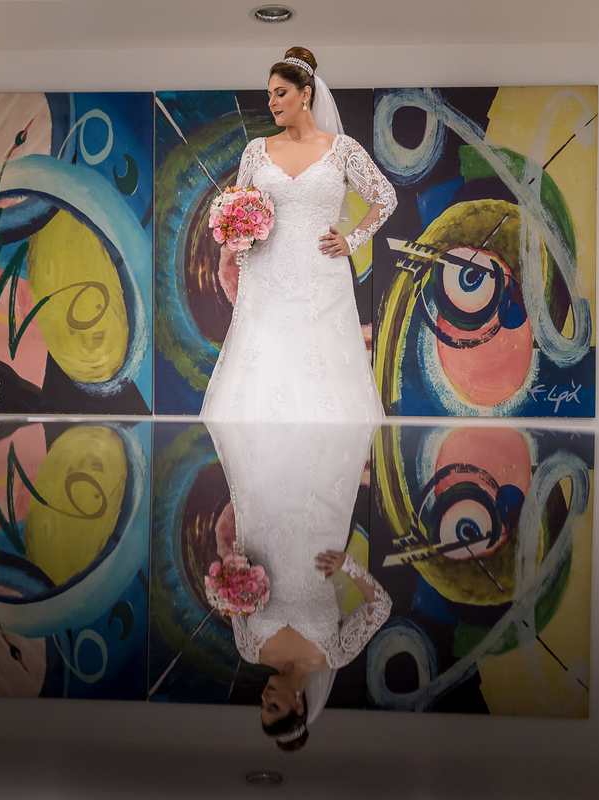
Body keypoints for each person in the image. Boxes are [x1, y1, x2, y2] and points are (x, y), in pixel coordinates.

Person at [200, 47, 398, 423]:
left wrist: (351, 240)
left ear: (305, 94)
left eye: (281, 93)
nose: (272, 102)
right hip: (265, 278)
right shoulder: (256, 151)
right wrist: (232, 242)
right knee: (263, 375)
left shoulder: (341, 149)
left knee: (322, 377)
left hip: (322, 278)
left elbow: (385, 198)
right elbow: (236, 207)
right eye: (269, 95)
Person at [207, 421, 392, 750]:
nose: (264, 698)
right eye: (273, 706)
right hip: (317, 529)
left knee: (265, 449)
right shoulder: (335, 654)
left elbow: (232, 589)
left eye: (262, 705)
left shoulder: (249, 649)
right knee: (318, 451)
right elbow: (381, 606)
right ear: (299, 706)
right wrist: (346, 566)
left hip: (264, 527)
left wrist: (232, 573)